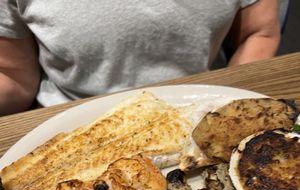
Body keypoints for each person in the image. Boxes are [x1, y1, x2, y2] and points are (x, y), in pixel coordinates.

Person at [0, 0, 280, 116]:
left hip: (200, 112)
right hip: (73, 117)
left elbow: (258, 33)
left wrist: (227, 115)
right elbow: (13, 78)